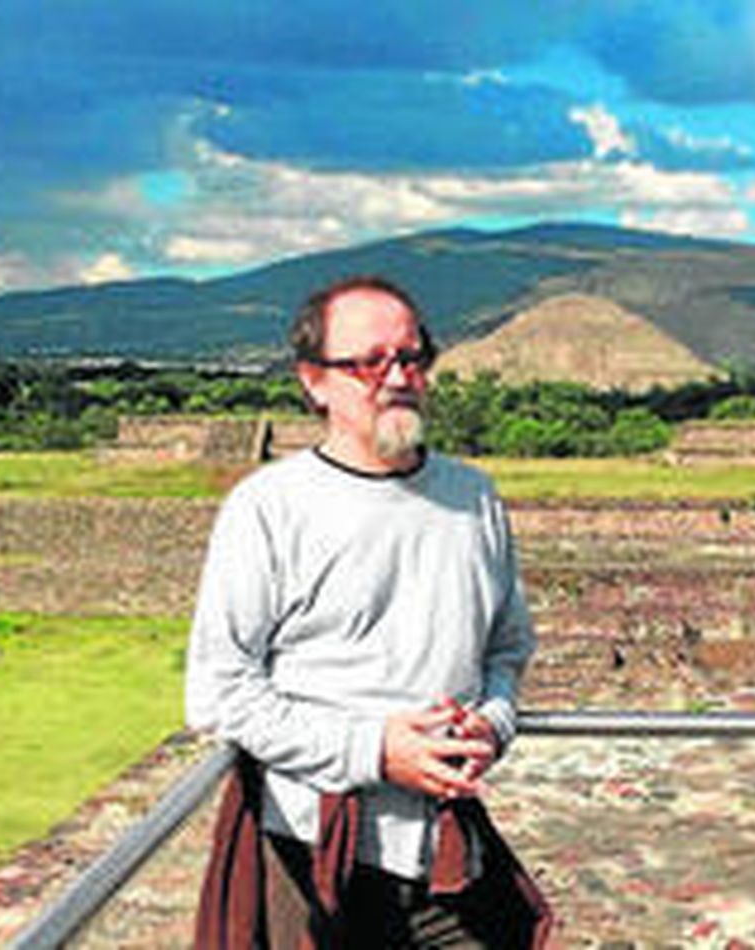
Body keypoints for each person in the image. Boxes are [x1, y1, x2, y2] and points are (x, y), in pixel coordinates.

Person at [185, 275, 549, 947]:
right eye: (368, 361)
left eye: (412, 356)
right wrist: (377, 751)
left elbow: (507, 649)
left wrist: (491, 727)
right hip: (313, 849)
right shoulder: (269, 508)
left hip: (446, 851)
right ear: (313, 381)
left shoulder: (474, 498)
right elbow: (218, 693)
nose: (398, 376)